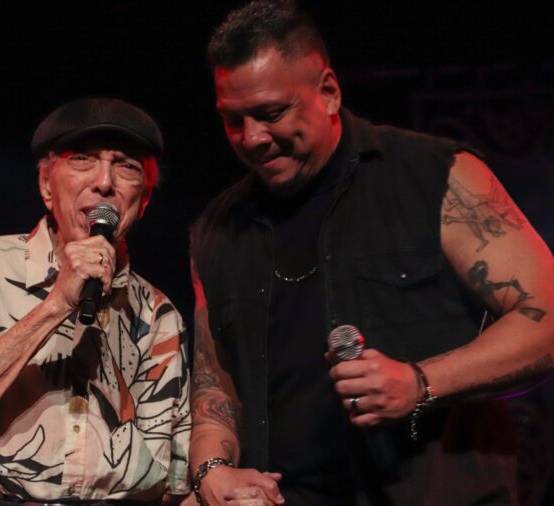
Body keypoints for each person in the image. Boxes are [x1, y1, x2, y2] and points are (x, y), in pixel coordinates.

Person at [188, 1, 554, 505]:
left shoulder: (436, 175)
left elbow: (547, 315)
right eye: (233, 120)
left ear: (329, 92)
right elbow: (215, 384)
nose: (252, 138)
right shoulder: (217, 229)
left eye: (271, 114)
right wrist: (212, 470)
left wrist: (420, 383)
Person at [0, 98, 191, 505]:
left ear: (144, 201)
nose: (105, 181)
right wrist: (56, 304)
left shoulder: (157, 315)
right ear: (47, 186)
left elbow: (171, 483)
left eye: (127, 166)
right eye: (82, 159)